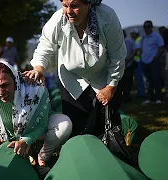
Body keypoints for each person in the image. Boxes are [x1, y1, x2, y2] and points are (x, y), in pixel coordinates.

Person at [24, 0, 126, 137]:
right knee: (76, 125)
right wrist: (39, 68)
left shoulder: (107, 17)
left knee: (107, 124)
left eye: (74, 6)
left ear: (88, 4)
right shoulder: (58, 20)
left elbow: (117, 56)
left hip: (102, 76)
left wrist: (111, 87)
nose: (69, 11)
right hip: (71, 78)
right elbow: (45, 48)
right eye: (65, 5)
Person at [0, 61, 72, 178]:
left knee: (64, 124)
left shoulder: (35, 90)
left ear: (15, 81)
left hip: (36, 133)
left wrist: (26, 141)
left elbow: (42, 124)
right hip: (10, 140)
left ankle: (42, 158)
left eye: (5, 85)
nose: (0, 92)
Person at [140, 20, 165, 104]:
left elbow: (161, 48)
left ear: (151, 27)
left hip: (154, 61)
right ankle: (149, 98)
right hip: (144, 61)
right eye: (145, 27)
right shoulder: (143, 37)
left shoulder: (156, 36)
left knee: (156, 79)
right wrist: (141, 57)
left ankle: (158, 98)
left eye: (148, 26)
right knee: (148, 81)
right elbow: (141, 48)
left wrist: (156, 58)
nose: (146, 28)